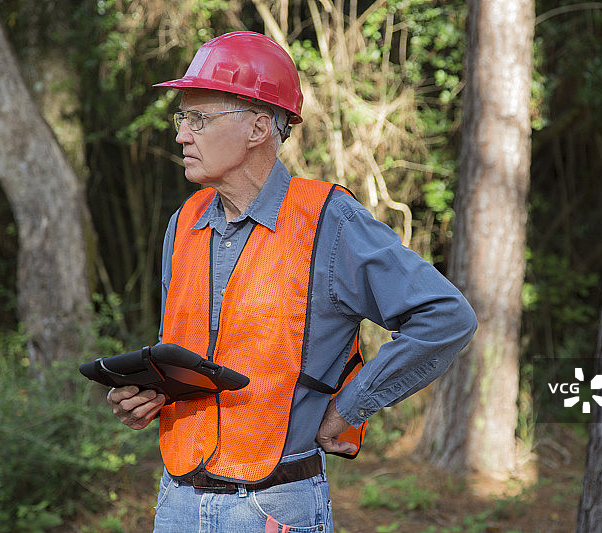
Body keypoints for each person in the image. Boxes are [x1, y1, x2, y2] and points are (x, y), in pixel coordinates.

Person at [107, 31, 476, 533]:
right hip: (176, 503)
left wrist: (350, 408)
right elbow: (191, 351)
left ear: (258, 127)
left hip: (274, 508)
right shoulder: (184, 222)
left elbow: (445, 317)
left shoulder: (328, 220)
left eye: (198, 118)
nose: (181, 135)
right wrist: (152, 392)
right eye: (183, 118)